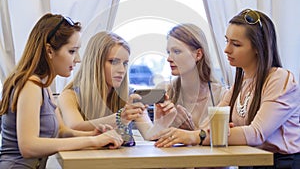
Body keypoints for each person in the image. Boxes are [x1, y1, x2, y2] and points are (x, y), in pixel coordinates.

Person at [153, 9, 300, 168]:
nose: (227, 50)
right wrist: (190, 130)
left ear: (258, 47)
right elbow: (210, 125)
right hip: (249, 162)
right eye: (227, 41)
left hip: (281, 163)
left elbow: (255, 134)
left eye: (236, 44)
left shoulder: (280, 78)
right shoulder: (240, 84)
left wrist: (199, 136)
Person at [0, 13, 123, 169]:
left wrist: (94, 135)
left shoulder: (43, 86)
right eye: (72, 51)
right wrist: (93, 141)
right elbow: (28, 147)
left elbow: (62, 131)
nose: (77, 59)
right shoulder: (30, 86)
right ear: (49, 51)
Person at [58, 31, 176, 143]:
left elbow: (149, 134)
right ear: (95, 63)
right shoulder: (70, 95)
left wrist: (161, 123)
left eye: (125, 63)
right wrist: (120, 117)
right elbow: (74, 127)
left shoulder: (130, 95)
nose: (121, 70)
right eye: (114, 62)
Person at [158, 23, 226, 131]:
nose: (169, 58)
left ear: (198, 54)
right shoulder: (165, 91)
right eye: (168, 52)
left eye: (176, 51)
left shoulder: (221, 96)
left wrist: (192, 131)